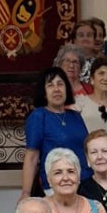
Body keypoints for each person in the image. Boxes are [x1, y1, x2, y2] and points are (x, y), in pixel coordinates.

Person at [23, 66, 89, 197]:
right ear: (44, 92)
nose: (57, 89)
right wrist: (26, 192)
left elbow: (87, 150)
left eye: (60, 84)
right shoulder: (39, 116)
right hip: (56, 185)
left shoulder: (76, 116)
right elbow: (32, 157)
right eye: (50, 85)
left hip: (84, 183)